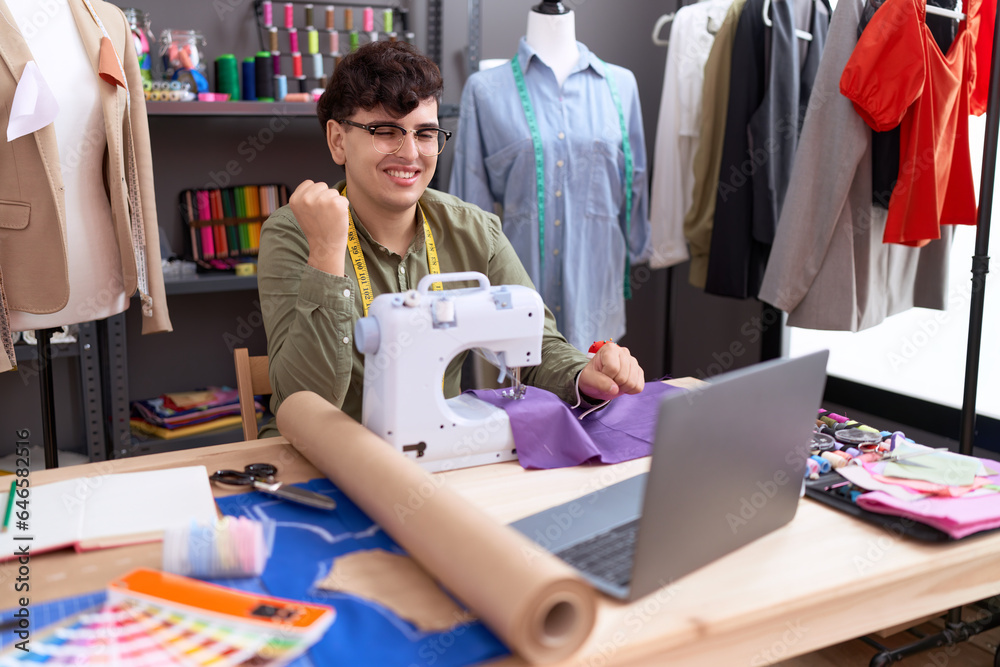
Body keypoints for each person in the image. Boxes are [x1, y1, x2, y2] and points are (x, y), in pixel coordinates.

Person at [257, 41, 644, 437]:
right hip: (325, 458)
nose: (410, 153)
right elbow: (302, 403)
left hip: (433, 452)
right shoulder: (294, 235)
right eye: (385, 131)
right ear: (338, 140)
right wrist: (326, 253)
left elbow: (536, 345)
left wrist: (583, 374)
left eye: (425, 134)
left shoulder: (475, 231)